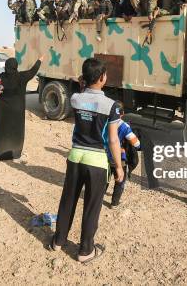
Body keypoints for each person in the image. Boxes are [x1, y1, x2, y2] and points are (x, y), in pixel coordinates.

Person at [49, 58, 123, 263]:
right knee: (91, 206)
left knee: (68, 201)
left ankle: (58, 241)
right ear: (102, 78)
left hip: (75, 157)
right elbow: (114, 139)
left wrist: (84, 82)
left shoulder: (75, 99)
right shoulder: (112, 106)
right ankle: (85, 251)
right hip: (97, 161)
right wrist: (118, 166)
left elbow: (82, 90)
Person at [0, 56, 42, 160]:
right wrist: (40, 60)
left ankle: (0, 153)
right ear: (16, 67)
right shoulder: (22, 77)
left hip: (1, 109)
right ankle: (14, 153)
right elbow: (33, 71)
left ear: (6, 66)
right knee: (16, 130)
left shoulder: (1, 78)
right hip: (16, 110)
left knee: (2, 130)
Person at [106, 101, 140, 208]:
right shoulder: (124, 126)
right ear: (122, 113)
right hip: (119, 158)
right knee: (119, 181)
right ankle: (114, 203)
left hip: (104, 155)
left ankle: (98, 195)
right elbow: (136, 143)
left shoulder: (104, 122)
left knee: (104, 179)